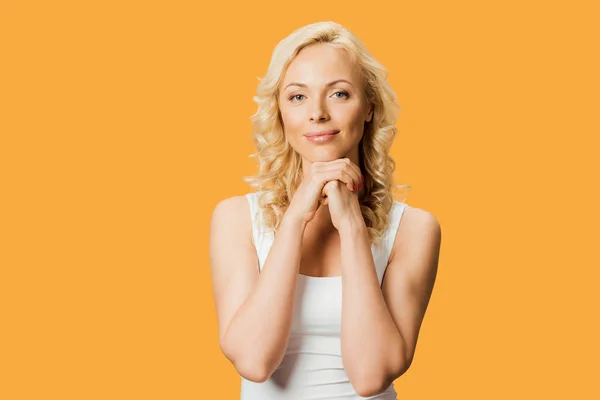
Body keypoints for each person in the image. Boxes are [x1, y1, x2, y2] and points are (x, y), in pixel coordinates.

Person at [209, 21, 441, 399]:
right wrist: (294, 220)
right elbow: (254, 361)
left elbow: (371, 376)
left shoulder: (413, 229)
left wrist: (352, 229)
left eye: (338, 94)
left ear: (368, 107)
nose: (317, 113)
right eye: (297, 97)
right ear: (280, 113)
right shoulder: (236, 219)